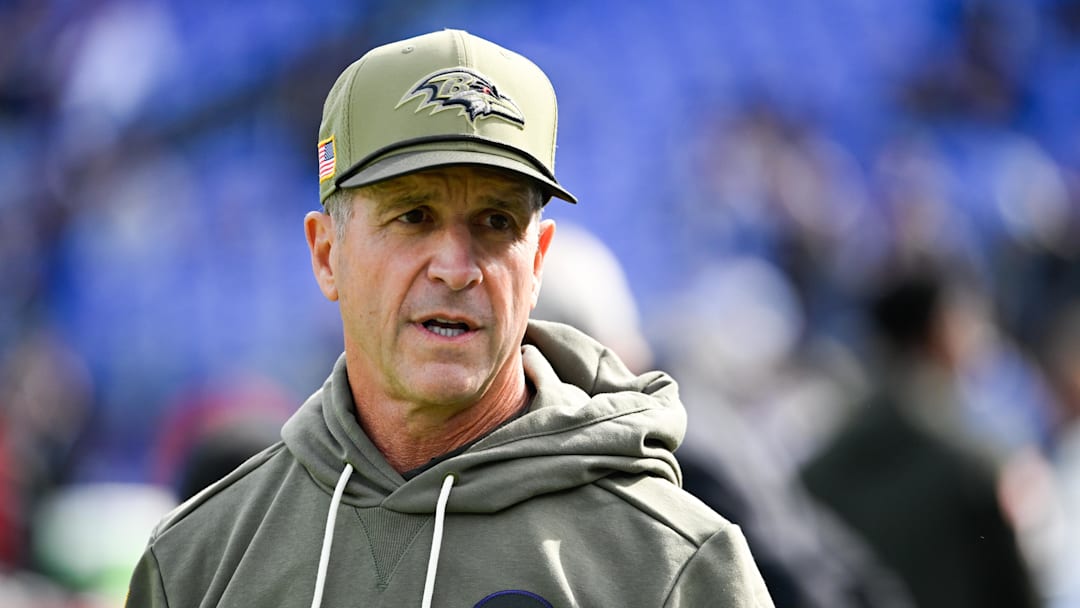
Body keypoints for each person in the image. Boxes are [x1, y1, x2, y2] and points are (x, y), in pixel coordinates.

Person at [125, 29, 774, 607]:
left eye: (496, 222)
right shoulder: (197, 561)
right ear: (327, 254)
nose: (456, 267)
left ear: (538, 261)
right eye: (413, 216)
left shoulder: (672, 564)